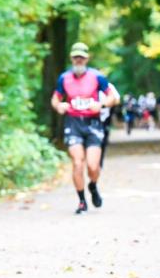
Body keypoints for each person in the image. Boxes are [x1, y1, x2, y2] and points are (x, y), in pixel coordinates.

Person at [50, 42, 119, 214]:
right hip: (73, 123)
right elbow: (55, 99)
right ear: (71, 58)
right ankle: (82, 201)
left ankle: (93, 186)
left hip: (93, 123)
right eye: (75, 57)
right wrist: (59, 106)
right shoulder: (64, 78)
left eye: (81, 57)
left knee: (93, 166)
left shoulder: (97, 77)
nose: (78, 60)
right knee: (77, 162)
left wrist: (101, 104)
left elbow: (113, 97)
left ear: (87, 58)